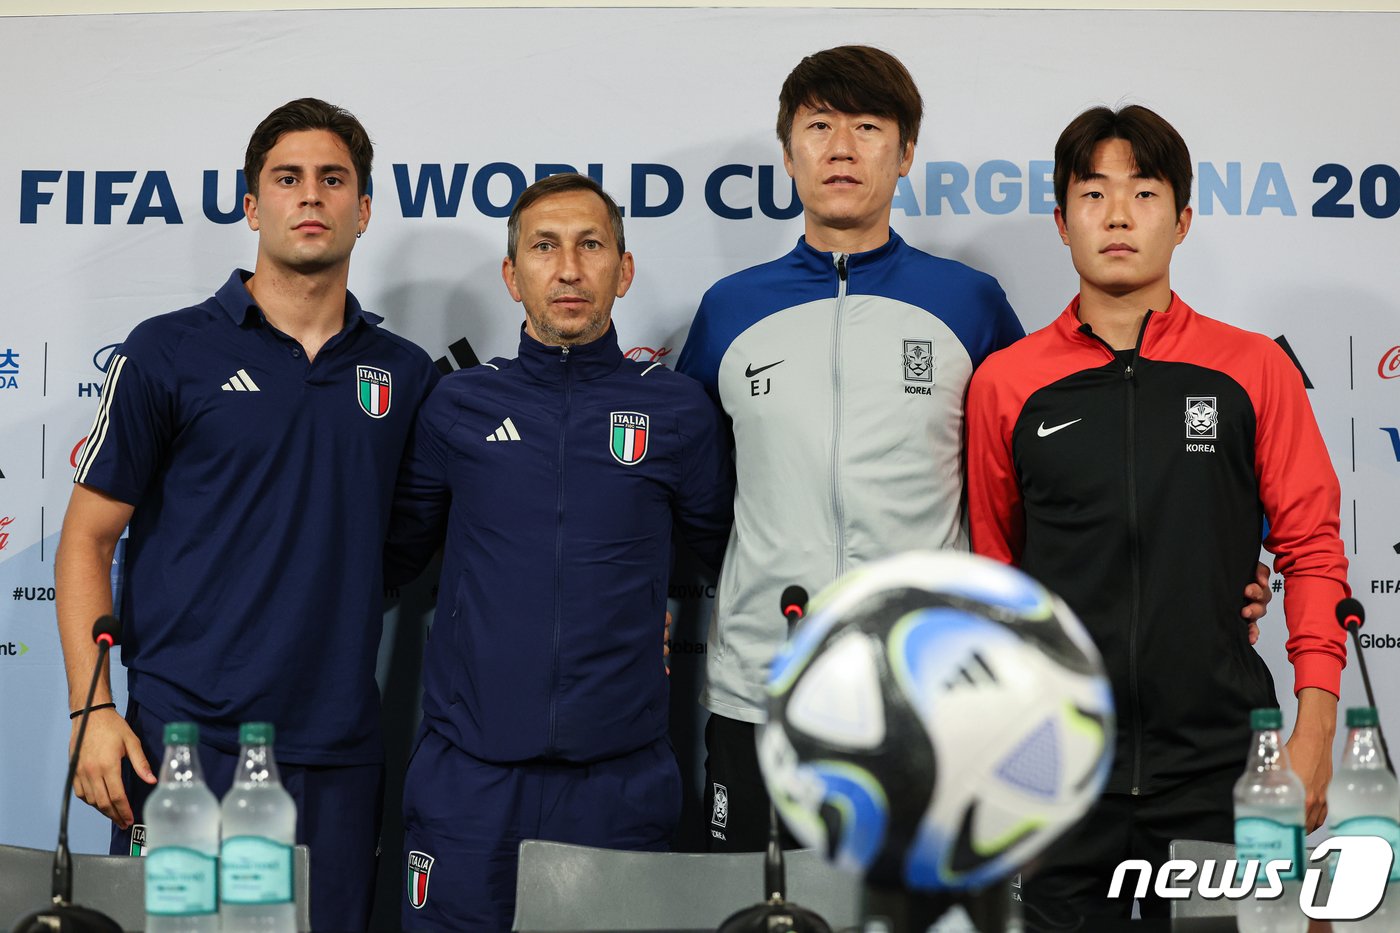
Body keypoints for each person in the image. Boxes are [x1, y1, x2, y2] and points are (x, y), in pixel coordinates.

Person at [55, 97, 439, 931]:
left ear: (364, 208)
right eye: (287, 178)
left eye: (332, 179)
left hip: (336, 751)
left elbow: (406, 548)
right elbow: (86, 539)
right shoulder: (167, 350)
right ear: (252, 204)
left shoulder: (407, 375)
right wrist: (92, 712)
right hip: (180, 747)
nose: (311, 196)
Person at [965, 104, 1348, 925]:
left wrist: (1315, 730)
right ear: (1061, 220)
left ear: (1182, 220)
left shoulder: (1254, 368)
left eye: (1143, 193)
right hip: (1063, 774)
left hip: (1223, 764)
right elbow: (996, 579)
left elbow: (1312, 549)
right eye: (1092, 193)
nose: (1116, 215)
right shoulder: (1007, 382)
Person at [674, 45, 1025, 851]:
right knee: (755, 902)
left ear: (905, 154)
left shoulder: (969, 302)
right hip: (761, 686)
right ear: (788, 152)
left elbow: (1033, 471)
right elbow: (692, 486)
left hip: (925, 696)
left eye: (867, 127)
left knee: (908, 906)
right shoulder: (730, 308)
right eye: (819, 126)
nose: (841, 148)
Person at [385, 172, 734, 931]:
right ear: (513, 277)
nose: (569, 269)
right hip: (469, 782)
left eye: (590, 245)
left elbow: (733, 562)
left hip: (618, 783)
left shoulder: (677, 410)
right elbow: (389, 559)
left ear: (623, 269)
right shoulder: (456, 405)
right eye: (544, 247)